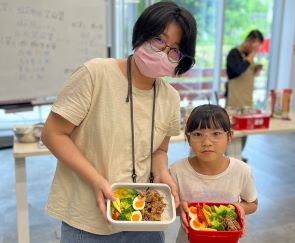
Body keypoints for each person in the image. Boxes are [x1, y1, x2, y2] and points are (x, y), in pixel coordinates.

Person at [41, 1, 197, 242]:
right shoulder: (95, 74)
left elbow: (159, 150)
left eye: (174, 50)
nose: (164, 53)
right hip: (88, 217)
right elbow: (53, 134)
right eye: (159, 40)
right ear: (141, 34)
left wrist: (163, 174)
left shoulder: (170, 98)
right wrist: (96, 180)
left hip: (144, 216)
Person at [170, 104, 258, 243]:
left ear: (229, 137)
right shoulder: (177, 170)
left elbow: (252, 203)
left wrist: (238, 208)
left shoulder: (241, 171)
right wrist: (181, 209)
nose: (207, 142)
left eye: (216, 134)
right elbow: (169, 208)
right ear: (188, 138)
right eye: (198, 134)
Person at [225, 29, 264, 162]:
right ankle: (228, 158)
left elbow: (247, 70)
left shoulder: (248, 56)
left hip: (247, 99)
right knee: (233, 130)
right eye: (256, 45)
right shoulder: (234, 53)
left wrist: (256, 68)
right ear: (249, 40)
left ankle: (238, 156)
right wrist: (253, 53)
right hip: (234, 100)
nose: (256, 49)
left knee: (246, 130)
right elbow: (239, 69)